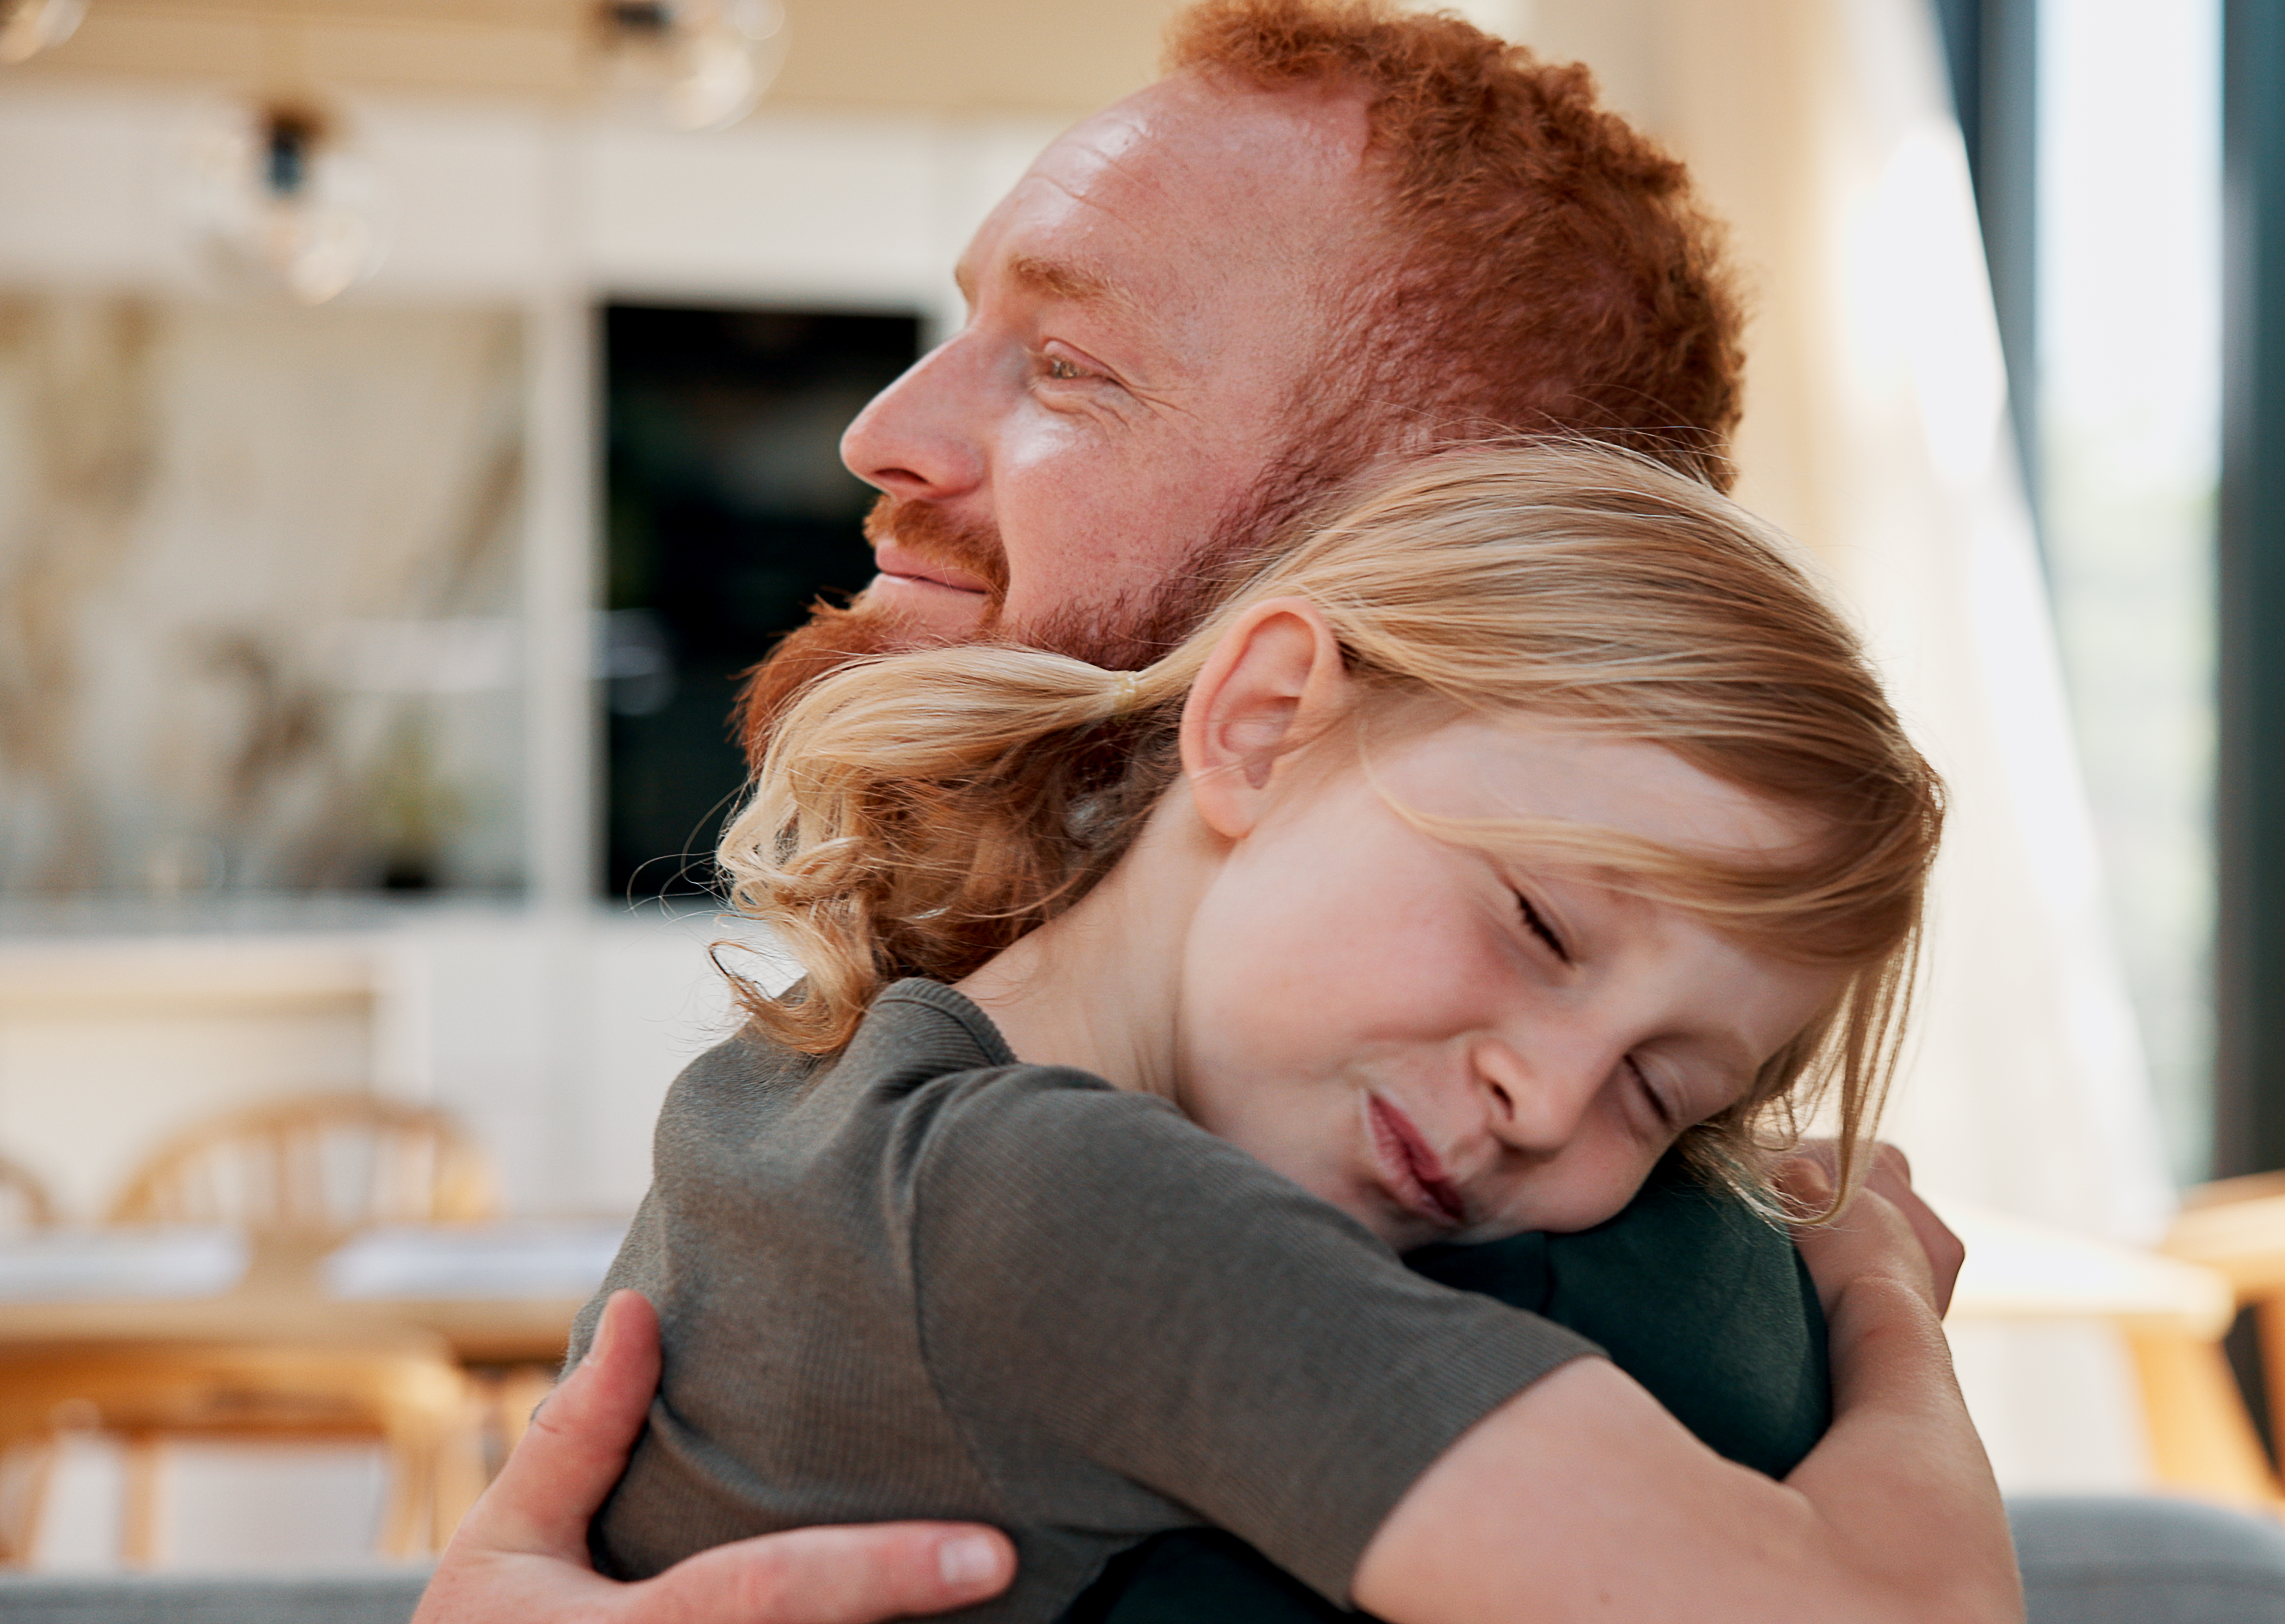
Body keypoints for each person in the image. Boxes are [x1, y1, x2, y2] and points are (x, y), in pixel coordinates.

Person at [415, 4, 1968, 1619]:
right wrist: (1885, 1308)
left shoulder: (1560, 1266)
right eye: (1536, 928)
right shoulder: (1012, 1165)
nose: (878, 435)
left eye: (1069, 368)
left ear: (1412, 544)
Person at [581, 446, 2008, 1624]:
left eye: (1658, 1093)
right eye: (1541, 927)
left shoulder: (812, 1099)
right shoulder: (1065, 1210)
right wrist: (1880, 1293)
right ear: (1264, 726)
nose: (1547, 1099)